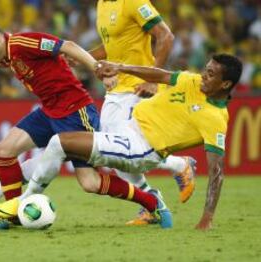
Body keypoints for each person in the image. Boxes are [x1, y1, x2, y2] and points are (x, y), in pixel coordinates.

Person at [0, 20, 171, 229]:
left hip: (76, 112)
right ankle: (11, 216)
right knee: (4, 150)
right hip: (50, 111)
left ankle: (152, 202)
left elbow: (67, 46)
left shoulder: (24, 42)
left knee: (90, 183)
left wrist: (97, 69)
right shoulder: (5, 53)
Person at [0, 54, 243, 230]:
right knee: (83, 174)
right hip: (128, 126)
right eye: (205, 70)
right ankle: (154, 199)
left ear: (226, 83)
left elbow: (217, 171)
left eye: (210, 74)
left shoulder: (215, 119)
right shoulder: (192, 81)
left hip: (141, 148)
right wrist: (122, 67)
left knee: (59, 144)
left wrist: (207, 217)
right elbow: (160, 74)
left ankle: (18, 206)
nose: (203, 76)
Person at [87, 0, 195, 225]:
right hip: (116, 89)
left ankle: (178, 167)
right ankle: (150, 202)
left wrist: (152, 79)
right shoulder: (102, 5)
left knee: (122, 149)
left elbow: (166, 36)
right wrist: (83, 57)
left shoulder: (133, 2)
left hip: (137, 87)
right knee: (114, 155)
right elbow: (114, 45)